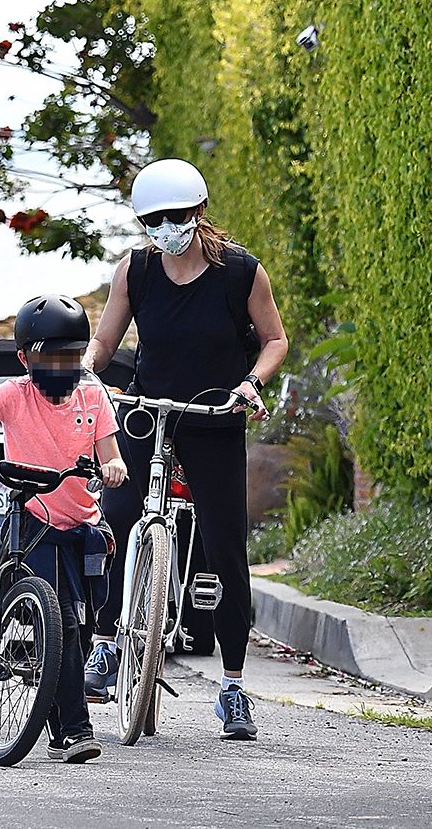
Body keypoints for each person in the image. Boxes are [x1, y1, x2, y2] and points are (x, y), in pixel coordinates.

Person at [82, 158, 288, 740]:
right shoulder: (137, 271)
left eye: (173, 217)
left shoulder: (240, 273)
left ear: (197, 212)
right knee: (117, 517)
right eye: (152, 219)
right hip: (147, 412)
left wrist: (250, 386)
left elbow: (274, 340)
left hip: (213, 416)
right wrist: (89, 374)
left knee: (225, 548)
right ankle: (104, 643)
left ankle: (233, 688)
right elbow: (105, 339)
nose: (164, 228)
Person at [0, 294, 127, 763]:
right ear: (26, 358)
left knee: (85, 624)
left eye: (71, 356)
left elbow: (110, 453)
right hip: (36, 521)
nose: (61, 365)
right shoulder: (14, 395)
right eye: (49, 357)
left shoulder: (92, 395)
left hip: (84, 527)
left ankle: (59, 709)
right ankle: (72, 732)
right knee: (67, 626)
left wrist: (113, 467)